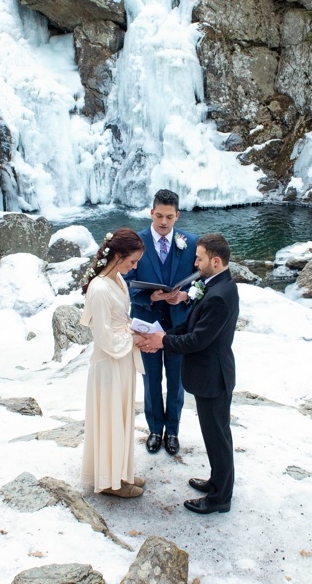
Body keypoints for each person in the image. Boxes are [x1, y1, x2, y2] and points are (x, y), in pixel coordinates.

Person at [138, 233, 238, 514]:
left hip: (213, 376)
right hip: (210, 374)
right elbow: (192, 327)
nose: (195, 262)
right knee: (214, 435)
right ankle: (217, 482)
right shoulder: (216, 285)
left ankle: (220, 499)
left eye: (200, 258)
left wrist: (162, 342)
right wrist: (163, 334)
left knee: (218, 438)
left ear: (215, 261)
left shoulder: (219, 296)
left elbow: (198, 340)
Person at [125, 189, 198, 456]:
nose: (164, 222)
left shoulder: (191, 243)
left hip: (180, 327)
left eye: (169, 216)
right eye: (159, 216)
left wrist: (184, 295)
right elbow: (124, 281)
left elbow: (201, 280)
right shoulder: (137, 242)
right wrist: (149, 295)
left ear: (177, 215)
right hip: (148, 325)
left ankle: (174, 432)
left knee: (176, 382)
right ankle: (155, 430)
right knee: (151, 381)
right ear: (151, 212)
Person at [79, 228, 147, 498]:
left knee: (121, 415)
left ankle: (120, 471)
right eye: (132, 261)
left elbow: (118, 320)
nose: (135, 266)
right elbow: (104, 337)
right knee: (110, 417)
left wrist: (136, 329)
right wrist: (134, 340)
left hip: (123, 358)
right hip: (109, 362)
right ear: (117, 256)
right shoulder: (99, 289)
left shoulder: (116, 278)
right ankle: (109, 481)